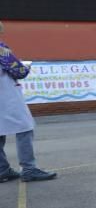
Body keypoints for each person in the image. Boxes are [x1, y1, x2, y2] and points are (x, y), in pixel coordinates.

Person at [0, 22, 57, 183]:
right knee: (25, 128)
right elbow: (19, 70)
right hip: (6, 97)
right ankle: (29, 169)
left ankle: (2, 170)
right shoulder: (1, 50)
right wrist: (25, 66)